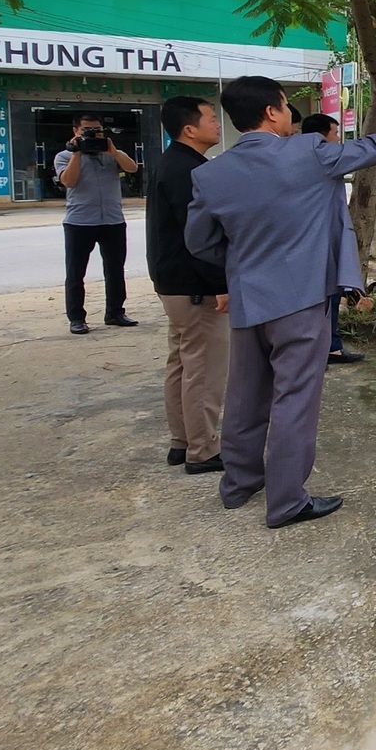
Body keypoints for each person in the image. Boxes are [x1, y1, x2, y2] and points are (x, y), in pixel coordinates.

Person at [186, 75, 376, 529]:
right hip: (300, 301)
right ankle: (287, 502)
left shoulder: (210, 173)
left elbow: (199, 242)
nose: (290, 116)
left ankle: (238, 485)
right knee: (294, 400)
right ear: (273, 112)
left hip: (249, 299)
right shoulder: (307, 153)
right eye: (284, 107)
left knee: (245, 394)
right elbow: (375, 148)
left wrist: (243, 264)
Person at [147, 96, 230, 473]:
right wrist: (220, 283)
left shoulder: (176, 163)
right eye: (211, 118)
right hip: (194, 284)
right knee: (204, 367)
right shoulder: (188, 170)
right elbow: (197, 236)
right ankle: (203, 449)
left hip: (173, 281)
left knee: (181, 363)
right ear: (189, 129)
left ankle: (182, 441)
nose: (217, 124)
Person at [55, 114, 140, 335]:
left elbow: (132, 168)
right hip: (79, 222)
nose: (94, 134)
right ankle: (76, 318)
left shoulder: (111, 154)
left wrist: (113, 151)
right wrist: (78, 153)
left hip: (112, 220)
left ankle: (115, 312)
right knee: (75, 273)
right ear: (75, 131)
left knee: (115, 270)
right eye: (88, 130)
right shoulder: (64, 156)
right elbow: (69, 181)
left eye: (98, 129)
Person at [300, 111, 364, 366]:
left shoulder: (299, 161)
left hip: (314, 244)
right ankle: (327, 347)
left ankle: (327, 346)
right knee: (326, 298)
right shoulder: (320, 160)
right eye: (335, 134)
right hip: (317, 245)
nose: (338, 139)